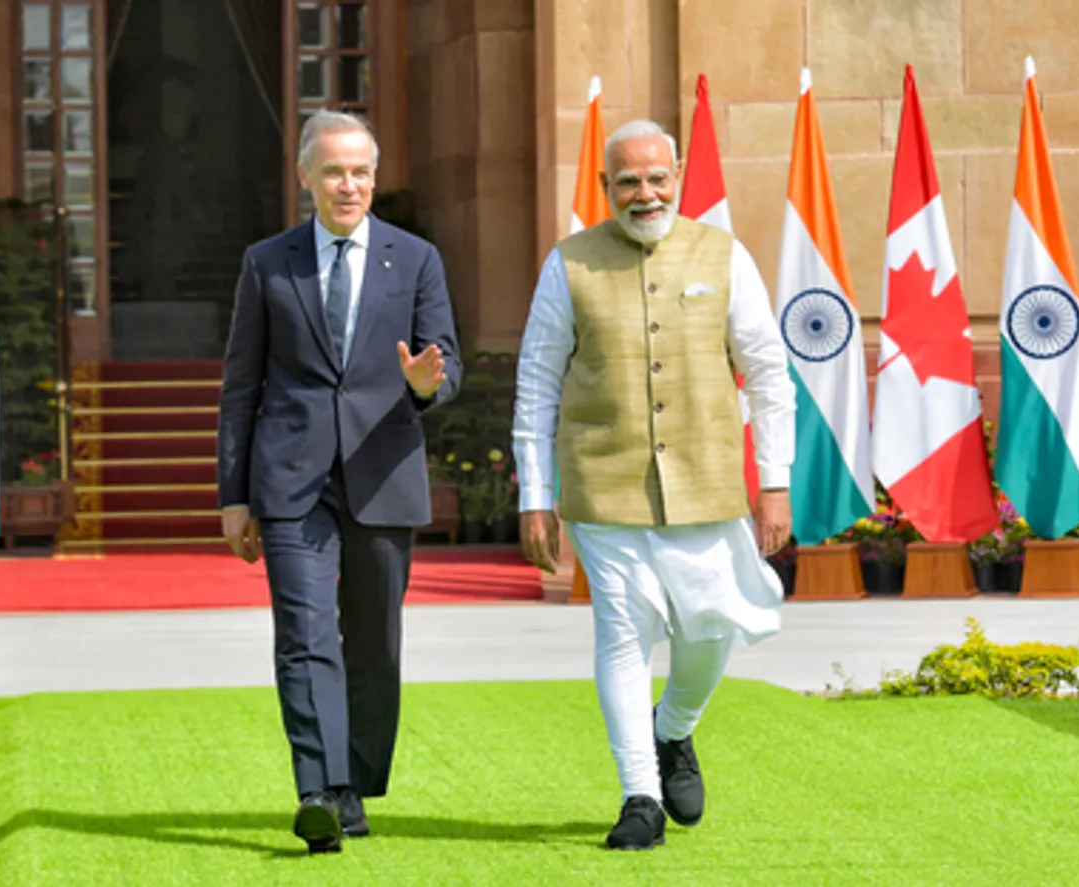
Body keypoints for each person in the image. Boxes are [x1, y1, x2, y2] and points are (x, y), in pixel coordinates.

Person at [512, 119, 795, 851]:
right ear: (605, 186)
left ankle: (674, 729)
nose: (645, 193)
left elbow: (768, 371)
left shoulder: (723, 254)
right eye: (629, 181)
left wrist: (775, 482)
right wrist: (534, 495)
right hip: (604, 484)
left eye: (657, 177)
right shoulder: (569, 263)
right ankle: (639, 796)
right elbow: (537, 381)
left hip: (707, 481)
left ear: (678, 176)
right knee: (623, 633)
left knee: (710, 630)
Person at [218, 110, 462, 854]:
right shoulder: (267, 263)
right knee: (304, 635)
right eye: (332, 171)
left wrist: (427, 384)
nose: (347, 184)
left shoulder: (415, 259)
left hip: (383, 475)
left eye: (359, 171)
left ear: (374, 178)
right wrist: (234, 495)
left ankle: (353, 783)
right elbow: (241, 383)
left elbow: (446, 362)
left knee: (374, 642)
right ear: (306, 178)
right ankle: (318, 790)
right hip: (291, 481)